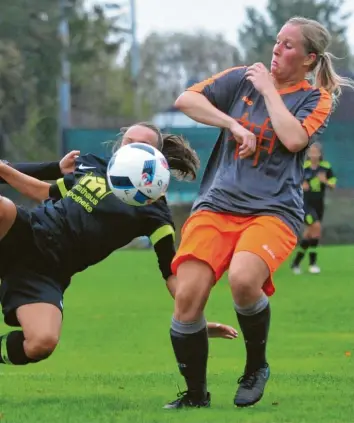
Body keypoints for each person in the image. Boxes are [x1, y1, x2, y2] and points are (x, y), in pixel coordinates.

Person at [163, 16, 354, 410]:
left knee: (244, 279)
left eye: (287, 45)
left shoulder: (314, 98)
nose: (276, 50)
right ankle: (196, 396)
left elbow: (294, 138)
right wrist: (233, 124)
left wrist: (269, 91)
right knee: (186, 299)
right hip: (216, 205)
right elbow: (186, 100)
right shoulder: (241, 78)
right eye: (277, 41)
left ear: (308, 58)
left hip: (272, 211)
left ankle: (255, 367)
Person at [0, 122, 238, 369]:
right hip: (28, 232)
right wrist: (6, 170)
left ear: (157, 157)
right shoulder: (93, 166)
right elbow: (47, 193)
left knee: (42, 342)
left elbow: (170, 273)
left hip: (47, 272)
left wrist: (193, 318)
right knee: (3, 207)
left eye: (143, 144)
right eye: (128, 140)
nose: (133, 146)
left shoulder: (154, 211)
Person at [290, 141, 336, 274]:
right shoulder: (304, 167)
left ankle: (296, 263)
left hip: (319, 204)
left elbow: (333, 185)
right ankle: (312, 263)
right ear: (308, 154)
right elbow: (293, 183)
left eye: (316, 152)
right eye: (311, 151)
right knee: (316, 228)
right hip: (305, 204)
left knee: (310, 234)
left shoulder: (326, 167)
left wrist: (325, 181)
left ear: (320, 154)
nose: (313, 154)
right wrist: (301, 186)